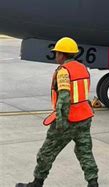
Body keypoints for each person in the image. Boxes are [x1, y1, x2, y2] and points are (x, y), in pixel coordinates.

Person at [17, 37, 98, 187]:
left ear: (62, 54)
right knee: (84, 152)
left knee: (46, 152)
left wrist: (60, 122)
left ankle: (37, 183)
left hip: (68, 119)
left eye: (57, 53)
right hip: (85, 117)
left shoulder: (63, 71)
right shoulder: (82, 67)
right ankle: (93, 182)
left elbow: (64, 98)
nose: (55, 56)